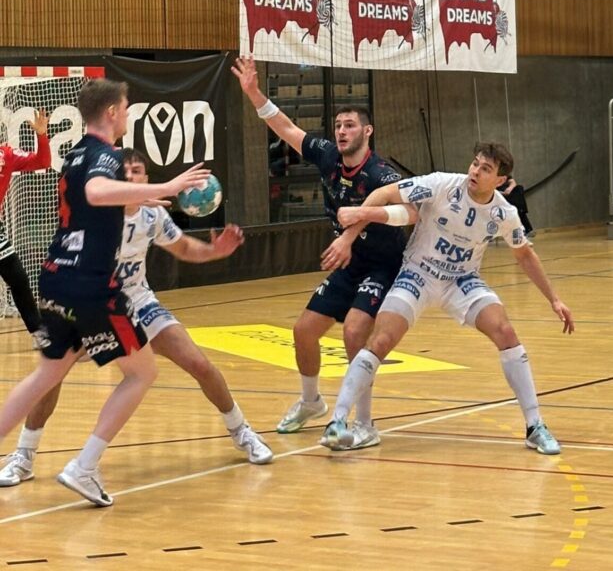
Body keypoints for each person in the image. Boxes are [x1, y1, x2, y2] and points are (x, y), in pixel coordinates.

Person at [0, 149, 272, 489]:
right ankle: (24, 456)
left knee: (199, 363)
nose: (130, 177)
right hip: (92, 304)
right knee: (51, 377)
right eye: (124, 172)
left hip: (139, 302)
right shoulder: (94, 213)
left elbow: (184, 248)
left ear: (146, 179)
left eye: (137, 172)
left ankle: (242, 431)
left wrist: (214, 251)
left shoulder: (152, 214)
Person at [0, 78, 211, 507]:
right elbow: (97, 193)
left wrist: (145, 198)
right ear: (113, 112)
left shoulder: (74, 154)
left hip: (55, 276)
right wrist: (165, 187)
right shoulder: (106, 156)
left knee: (45, 375)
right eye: (127, 107)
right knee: (142, 373)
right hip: (92, 285)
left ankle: (41, 458)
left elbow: (90, 200)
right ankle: (84, 467)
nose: (128, 114)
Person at [321, 142, 574, 455]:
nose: (475, 171)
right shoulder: (442, 184)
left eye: (485, 169)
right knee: (381, 340)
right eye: (475, 163)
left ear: (499, 180)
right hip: (418, 273)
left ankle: (535, 426)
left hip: (461, 280)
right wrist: (351, 232)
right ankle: (338, 422)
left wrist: (554, 299)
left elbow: (524, 255)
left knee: (506, 332)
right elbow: (385, 193)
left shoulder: (503, 213)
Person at [231, 56, 405, 450]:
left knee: (354, 331)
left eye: (350, 125)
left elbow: (403, 212)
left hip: (383, 266)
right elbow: (285, 127)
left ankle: (365, 423)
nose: (342, 131)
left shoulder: (382, 174)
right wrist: (254, 93)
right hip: (348, 263)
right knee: (303, 331)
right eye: (338, 125)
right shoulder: (328, 156)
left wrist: (349, 234)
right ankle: (311, 401)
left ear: (367, 131)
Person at [0, 109, 50, 342]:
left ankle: (39, 331)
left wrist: (41, 135)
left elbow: (43, 161)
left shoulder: (6, 154)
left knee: (18, 278)